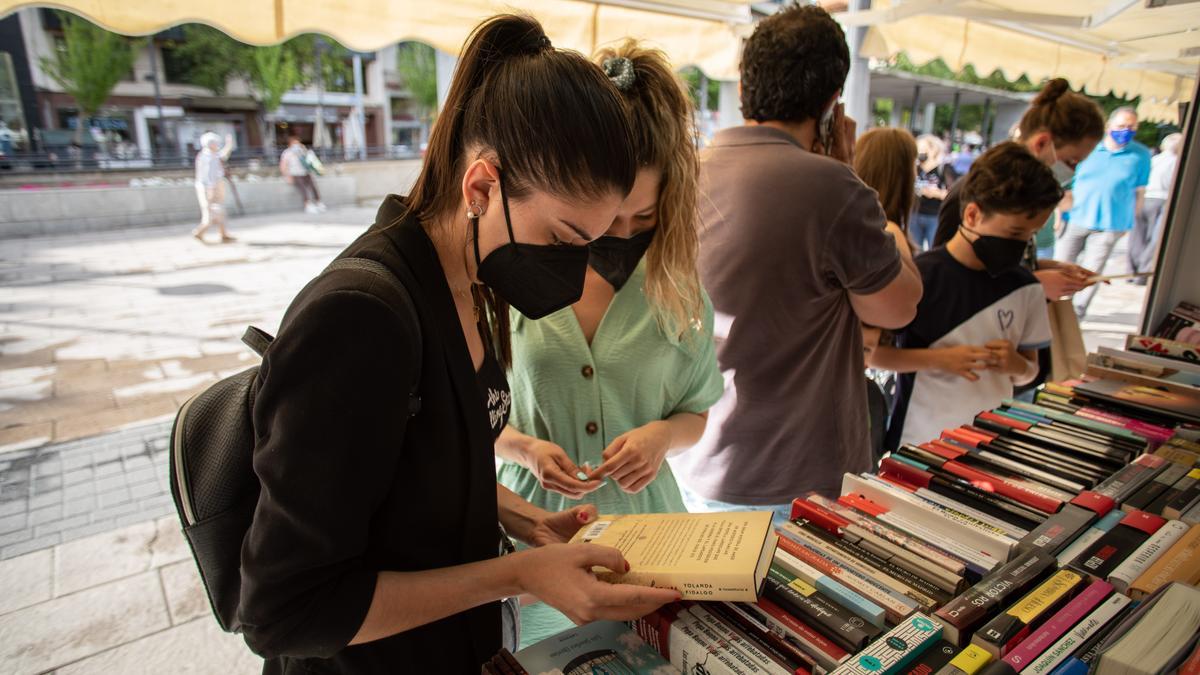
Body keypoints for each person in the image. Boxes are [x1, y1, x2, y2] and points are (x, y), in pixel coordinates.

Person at [237, 16, 679, 674]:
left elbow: (418, 468)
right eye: (562, 238)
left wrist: (525, 520)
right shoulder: (361, 319)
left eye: (593, 240)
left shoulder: (469, 281)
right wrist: (519, 573)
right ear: (480, 187)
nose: (577, 266)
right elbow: (282, 608)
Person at [494, 41, 724, 649]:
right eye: (603, 221)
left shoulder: (678, 287)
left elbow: (696, 411)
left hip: (652, 534)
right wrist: (523, 448)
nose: (618, 237)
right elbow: (472, 417)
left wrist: (662, 436)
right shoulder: (512, 275)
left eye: (641, 221)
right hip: (532, 535)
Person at [671, 4, 923, 517]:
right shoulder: (832, 188)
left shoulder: (682, 175)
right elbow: (897, 309)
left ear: (743, 87)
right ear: (833, 102)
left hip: (688, 458)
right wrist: (852, 176)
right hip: (794, 478)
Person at [871, 142, 1061, 449]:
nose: (1022, 245)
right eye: (1015, 233)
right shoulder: (919, 277)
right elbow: (876, 355)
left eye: (1031, 235)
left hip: (990, 443)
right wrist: (938, 359)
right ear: (972, 215)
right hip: (918, 442)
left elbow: (1031, 370)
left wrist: (1014, 365)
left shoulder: (1026, 287)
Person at [934, 78, 1106, 304]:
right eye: (1071, 161)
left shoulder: (1028, 193)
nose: (1073, 171)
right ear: (1042, 142)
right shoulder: (976, 192)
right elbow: (949, 279)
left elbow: (1003, 264)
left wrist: (1046, 269)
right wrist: (1033, 283)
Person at [1055, 107, 1152, 318]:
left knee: (1091, 274)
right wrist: (1059, 214)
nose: (1125, 131)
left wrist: (1131, 220)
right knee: (1060, 266)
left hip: (1111, 223)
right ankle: (1054, 310)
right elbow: (1067, 185)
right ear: (1109, 126)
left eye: (1131, 127)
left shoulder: (1141, 155)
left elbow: (1140, 192)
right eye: (1121, 126)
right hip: (1076, 218)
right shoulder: (1090, 148)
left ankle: (1075, 315)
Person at [1129, 132, 1182, 283]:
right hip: (1161, 200)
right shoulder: (1175, 163)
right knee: (1154, 238)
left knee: (1137, 236)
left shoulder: (1152, 159)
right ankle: (1143, 272)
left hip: (1144, 198)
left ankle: (1133, 270)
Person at [192, 132, 236, 244]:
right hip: (209, 187)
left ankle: (223, 233)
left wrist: (229, 144)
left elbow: (223, 154)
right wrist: (210, 190)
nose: (217, 145)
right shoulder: (208, 157)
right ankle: (199, 232)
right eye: (216, 143)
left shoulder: (211, 154)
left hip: (213, 185)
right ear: (210, 144)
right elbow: (209, 175)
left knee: (219, 210)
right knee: (212, 211)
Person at [912, 134, 948, 251]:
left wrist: (936, 193)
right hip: (915, 215)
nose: (920, 153)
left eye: (923, 149)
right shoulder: (914, 169)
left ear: (933, 150)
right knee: (915, 251)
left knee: (934, 249)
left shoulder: (943, 171)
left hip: (934, 217)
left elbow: (952, 194)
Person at [280, 135, 327, 213]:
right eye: (294, 143)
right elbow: (283, 165)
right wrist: (287, 176)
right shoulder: (287, 153)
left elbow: (311, 160)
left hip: (306, 172)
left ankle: (319, 203)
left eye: (297, 143)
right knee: (303, 189)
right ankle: (307, 205)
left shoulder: (303, 151)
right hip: (295, 173)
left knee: (313, 187)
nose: (296, 145)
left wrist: (305, 151)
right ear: (290, 144)